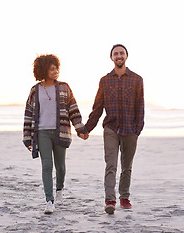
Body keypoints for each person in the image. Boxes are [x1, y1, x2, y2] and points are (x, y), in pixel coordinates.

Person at [79, 44, 144, 214]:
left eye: (121, 53)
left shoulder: (137, 80)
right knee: (111, 165)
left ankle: (124, 196)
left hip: (131, 129)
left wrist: (138, 128)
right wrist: (86, 128)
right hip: (111, 129)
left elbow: (140, 107)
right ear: (112, 58)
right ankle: (110, 200)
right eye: (116, 53)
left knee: (127, 166)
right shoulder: (105, 81)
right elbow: (97, 108)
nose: (119, 56)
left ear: (126, 56)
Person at [23, 54, 87, 214]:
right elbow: (29, 113)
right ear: (44, 70)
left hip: (61, 132)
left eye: (56, 68)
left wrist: (80, 129)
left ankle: (59, 189)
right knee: (46, 166)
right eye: (52, 69)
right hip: (42, 132)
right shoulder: (35, 90)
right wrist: (27, 137)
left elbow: (73, 109)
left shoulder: (64, 87)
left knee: (61, 167)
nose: (55, 71)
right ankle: (49, 201)